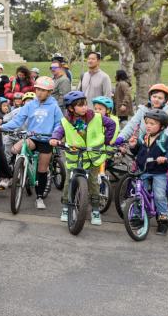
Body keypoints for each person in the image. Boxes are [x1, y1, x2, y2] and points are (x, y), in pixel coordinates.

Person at [49, 91, 117, 226]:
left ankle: (95, 209)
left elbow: (111, 125)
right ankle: (66, 207)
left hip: (93, 157)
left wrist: (106, 141)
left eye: (85, 104)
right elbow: (59, 131)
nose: (84, 107)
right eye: (80, 105)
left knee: (93, 183)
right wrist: (55, 139)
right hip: (75, 157)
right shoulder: (66, 121)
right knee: (69, 182)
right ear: (70, 108)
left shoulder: (96, 117)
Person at [0, 77, 63, 205]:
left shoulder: (54, 106)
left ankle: (39, 196)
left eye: (43, 90)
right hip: (32, 138)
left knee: (42, 169)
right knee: (14, 149)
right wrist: (3, 127)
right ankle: (18, 170)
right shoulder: (30, 105)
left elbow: (59, 124)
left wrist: (55, 137)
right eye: (38, 89)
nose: (39, 92)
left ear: (49, 92)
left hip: (46, 140)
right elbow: (18, 120)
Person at [129, 109, 168, 235]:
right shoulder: (145, 138)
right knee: (139, 194)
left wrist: (165, 158)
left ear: (162, 127)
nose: (148, 126)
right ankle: (138, 216)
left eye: (152, 124)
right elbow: (139, 152)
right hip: (144, 170)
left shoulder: (165, 139)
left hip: (159, 172)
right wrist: (133, 146)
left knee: (159, 195)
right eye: (147, 123)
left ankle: (163, 220)